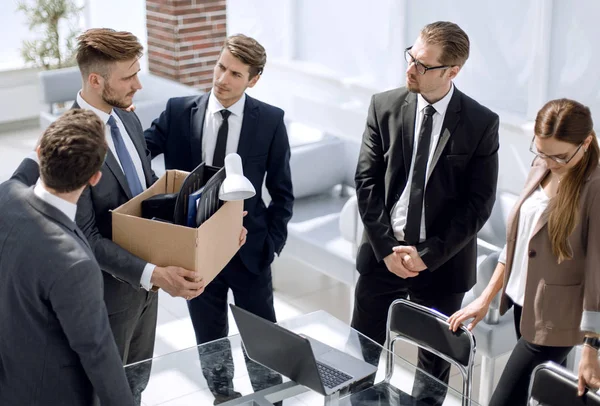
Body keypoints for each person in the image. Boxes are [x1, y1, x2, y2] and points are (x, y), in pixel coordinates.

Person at [23, 28, 206, 404]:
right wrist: (153, 274)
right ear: (95, 80)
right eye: (128, 77)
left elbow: (150, 193)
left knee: (136, 387)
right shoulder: (67, 143)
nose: (138, 85)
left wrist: (211, 219)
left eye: (138, 72)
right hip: (103, 302)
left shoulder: (129, 121)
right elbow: (84, 234)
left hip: (145, 297)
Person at [352, 21, 499, 404]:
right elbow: (366, 183)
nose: (410, 69)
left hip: (442, 267)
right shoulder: (382, 106)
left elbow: (478, 205)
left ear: (452, 71)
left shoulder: (482, 124)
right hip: (381, 260)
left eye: (422, 65)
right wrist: (387, 249)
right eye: (411, 57)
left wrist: (427, 255)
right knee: (360, 364)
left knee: (432, 380)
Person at [144, 33, 293, 404]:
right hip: (195, 256)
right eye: (221, 67)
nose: (222, 79)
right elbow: (136, 151)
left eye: (235, 74)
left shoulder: (271, 121)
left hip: (250, 252)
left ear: (253, 80)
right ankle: (223, 397)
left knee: (263, 342)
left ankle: (269, 398)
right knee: (209, 340)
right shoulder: (179, 112)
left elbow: (283, 192)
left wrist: (271, 246)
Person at [449, 98, 600, 405]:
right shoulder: (541, 165)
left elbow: (598, 273)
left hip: (559, 320)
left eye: (560, 156)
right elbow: (517, 243)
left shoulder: (595, 188)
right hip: (523, 306)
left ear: (585, 143)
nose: (550, 162)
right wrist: (485, 297)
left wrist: (591, 347)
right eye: (541, 151)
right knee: (541, 396)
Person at [0, 110, 135, 406]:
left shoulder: (6, 196)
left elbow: (21, 175)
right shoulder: (74, 263)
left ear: (39, 152)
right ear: (95, 178)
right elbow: (97, 352)